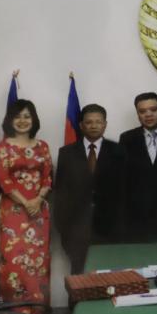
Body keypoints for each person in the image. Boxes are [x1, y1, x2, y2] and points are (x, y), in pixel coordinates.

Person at [0, 99, 53, 306]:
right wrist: (27, 203)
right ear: (10, 120)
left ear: (34, 120)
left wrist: (38, 200)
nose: (22, 121)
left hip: (39, 212)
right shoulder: (3, 147)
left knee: (38, 261)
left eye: (27, 116)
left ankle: (37, 311)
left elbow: (48, 177)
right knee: (13, 262)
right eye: (17, 116)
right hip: (13, 212)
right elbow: (4, 181)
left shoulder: (43, 147)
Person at [54, 104, 125, 275]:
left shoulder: (119, 151)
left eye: (98, 122)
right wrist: (63, 227)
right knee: (79, 274)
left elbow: (124, 190)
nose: (94, 126)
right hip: (76, 227)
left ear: (105, 124)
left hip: (110, 227)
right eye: (89, 122)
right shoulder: (67, 153)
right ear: (81, 125)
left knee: (109, 276)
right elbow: (61, 192)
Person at [119, 92, 157, 242]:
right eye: (142, 111)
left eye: (153, 109)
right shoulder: (127, 138)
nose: (148, 114)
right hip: (138, 216)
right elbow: (123, 178)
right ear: (138, 114)